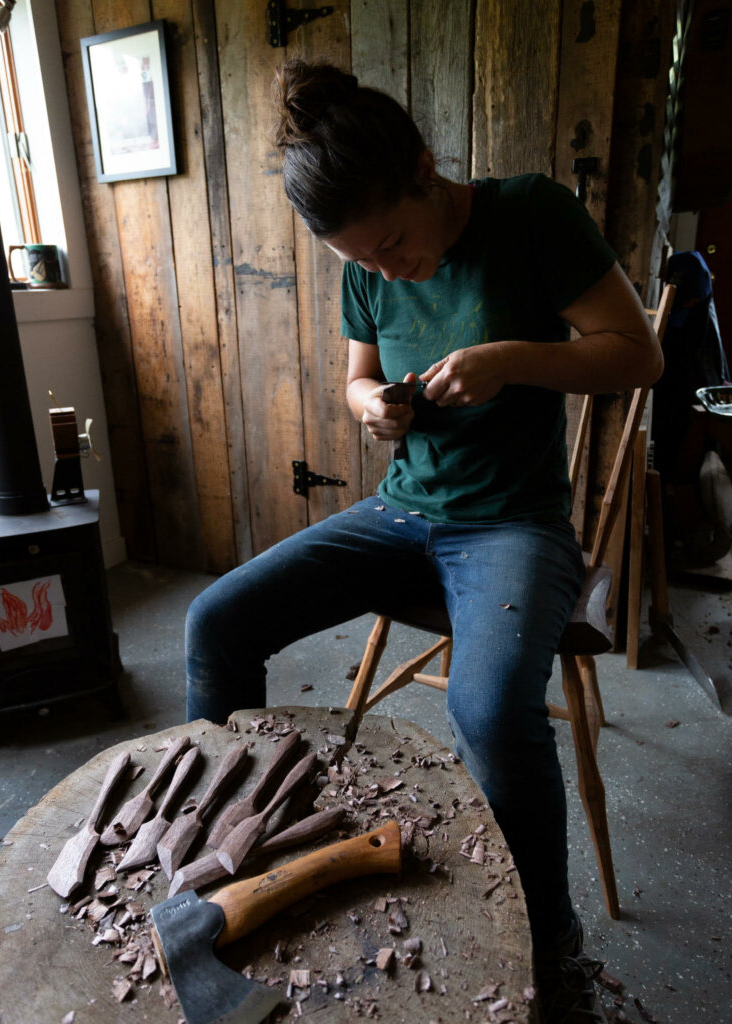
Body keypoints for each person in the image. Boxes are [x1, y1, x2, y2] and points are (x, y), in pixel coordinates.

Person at [186, 59, 663, 1023]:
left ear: (424, 169)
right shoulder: (369, 266)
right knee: (214, 621)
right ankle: (228, 861)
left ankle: (550, 945)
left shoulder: (529, 215)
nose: (388, 269)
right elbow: (357, 378)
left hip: (513, 524)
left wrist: (509, 362)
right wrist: (371, 407)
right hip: (401, 510)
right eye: (361, 261)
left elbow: (636, 354)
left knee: (488, 713)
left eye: (395, 243)